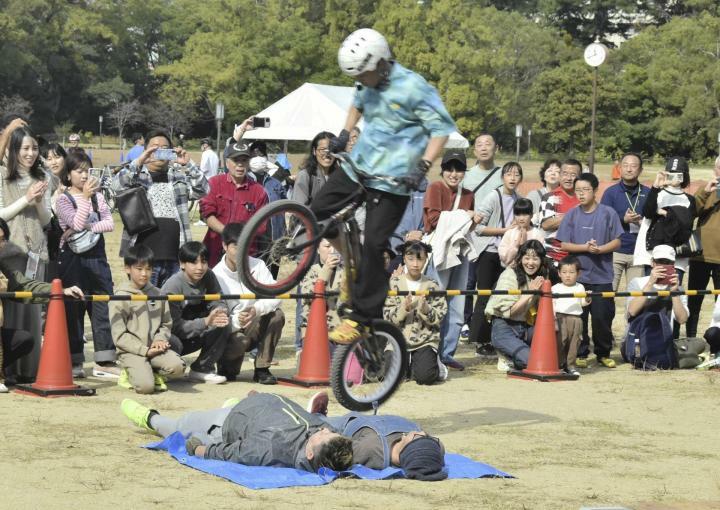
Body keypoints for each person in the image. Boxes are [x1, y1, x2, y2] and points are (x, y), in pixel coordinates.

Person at [313, 28, 456, 344]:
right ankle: (352, 264)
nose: (361, 80)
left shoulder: (414, 87)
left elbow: (441, 130)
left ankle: (361, 319)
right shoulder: (366, 83)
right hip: (360, 167)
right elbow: (357, 102)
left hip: (394, 181)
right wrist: (343, 132)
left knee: (377, 245)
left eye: (364, 73)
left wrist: (423, 167)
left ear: (380, 62)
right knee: (317, 210)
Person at [119, 392, 354, 472]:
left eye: (323, 435)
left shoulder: (271, 447)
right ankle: (233, 403)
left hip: (227, 423)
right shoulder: (328, 436)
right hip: (253, 405)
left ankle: (150, 418)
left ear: (310, 454)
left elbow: (233, 453)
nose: (324, 430)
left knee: (183, 426)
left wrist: (201, 449)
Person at [114, 129, 209, 287]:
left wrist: (189, 165)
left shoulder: (178, 177)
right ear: (146, 150)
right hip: (144, 259)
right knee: (145, 305)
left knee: (171, 306)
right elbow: (116, 185)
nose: (160, 151)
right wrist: (138, 161)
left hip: (175, 255)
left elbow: (203, 190)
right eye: (155, 147)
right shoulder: (136, 177)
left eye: (165, 148)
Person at [55, 150, 119, 379]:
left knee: (102, 304)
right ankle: (75, 360)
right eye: (78, 171)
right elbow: (76, 221)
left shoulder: (98, 196)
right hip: (73, 261)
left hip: (97, 258)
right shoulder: (62, 200)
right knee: (74, 309)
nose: (84, 176)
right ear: (68, 174)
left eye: (87, 170)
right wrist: (84, 199)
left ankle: (104, 360)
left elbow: (109, 223)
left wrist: (89, 227)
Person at [0, 218, 84, 389]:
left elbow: (24, 285)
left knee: (23, 340)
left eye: (2, 239)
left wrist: (59, 291)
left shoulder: (2, 267)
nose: (0, 244)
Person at [556, 172, 623, 369]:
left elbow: (618, 241)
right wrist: (585, 248)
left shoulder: (608, 213)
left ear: (595, 191)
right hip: (578, 278)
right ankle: (581, 352)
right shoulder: (572, 214)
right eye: (578, 191)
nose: (581, 194)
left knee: (602, 317)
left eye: (585, 190)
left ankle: (603, 353)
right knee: (580, 318)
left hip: (602, 275)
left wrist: (601, 249)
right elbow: (564, 245)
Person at [0, 126, 52, 379]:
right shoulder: (1, 176)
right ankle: (6, 368)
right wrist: (26, 199)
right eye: (25, 149)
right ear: (13, 150)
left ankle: (30, 370)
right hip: (8, 253)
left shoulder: (43, 177)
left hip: (35, 251)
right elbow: (1, 215)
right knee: (9, 311)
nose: (31, 154)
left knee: (32, 310)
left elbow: (45, 220)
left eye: (34, 148)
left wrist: (40, 201)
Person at [307, 391, 447, 480]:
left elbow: (336, 452)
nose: (422, 432)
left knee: (324, 426)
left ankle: (317, 417)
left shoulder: (370, 450)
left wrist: (325, 433)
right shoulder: (435, 449)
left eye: (419, 437)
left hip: (347, 424)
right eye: (428, 436)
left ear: (408, 448)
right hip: (378, 422)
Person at [423, 151, 478, 370]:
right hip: (440, 251)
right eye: (449, 168)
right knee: (436, 301)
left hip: (460, 251)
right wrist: (467, 215)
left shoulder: (468, 194)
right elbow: (433, 219)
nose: (454, 174)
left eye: (459, 169)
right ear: (443, 169)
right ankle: (429, 352)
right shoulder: (435, 188)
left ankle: (446, 353)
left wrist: (470, 218)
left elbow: (469, 226)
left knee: (457, 303)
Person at [212, 223, 284, 384]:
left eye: (245, 245)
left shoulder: (257, 265)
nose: (241, 252)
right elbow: (216, 317)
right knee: (237, 347)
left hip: (254, 322)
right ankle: (225, 365)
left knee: (277, 315)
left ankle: (262, 368)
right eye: (236, 246)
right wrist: (237, 321)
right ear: (224, 246)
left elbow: (276, 294)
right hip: (231, 331)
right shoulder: (215, 275)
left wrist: (256, 309)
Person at [111, 245, 185, 393]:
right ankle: (129, 373)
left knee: (179, 368)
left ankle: (152, 371)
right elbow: (119, 336)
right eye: (139, 269)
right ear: (127, 269)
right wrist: (143, 350)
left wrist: (159, 339)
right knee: (146, 387)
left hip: (155, 349)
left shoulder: (158, 294)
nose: (144, 274)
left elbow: (166, 323)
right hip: (132, 351)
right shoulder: (119, 297)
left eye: (148, 269)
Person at [469, 161, 523, 357]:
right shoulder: (493, 196)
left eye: (517, 174)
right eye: (509, 174)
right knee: (484, 295)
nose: (513, 178)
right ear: (502, 177)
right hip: (489, 252)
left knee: (503, 297)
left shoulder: (519, 198)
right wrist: (504, 230)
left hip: (508, 255)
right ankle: (479, 340)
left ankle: (497, 339)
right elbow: (478, 228)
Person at [160, 242, 231, 384]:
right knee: (172, 342)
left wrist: (219, 312)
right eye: (193, 262)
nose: (200, 267)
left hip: (196, 331)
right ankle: (162, 368)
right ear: (182, 264)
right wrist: (206, 322)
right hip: (174, 337)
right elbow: (173, 327)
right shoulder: (172, 286)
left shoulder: (209, 276)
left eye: (204, 262)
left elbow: (219, 300)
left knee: (223, 323)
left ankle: (202, 368)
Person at [384, 241, 448, 384]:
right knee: (391, 377)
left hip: (424, 340)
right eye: (411, 259)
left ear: (426, 259)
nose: (415, 264)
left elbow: (440, 316)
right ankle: (407, 364)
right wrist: (403, 309)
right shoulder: (393, 284)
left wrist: (426, 309)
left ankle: (434, 364)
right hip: (398, 339)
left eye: (420, 259)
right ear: (404, 259)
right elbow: (387, 316)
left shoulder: (433, 285)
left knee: (425, 378)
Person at [199, 140, 268, 268]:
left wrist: (238, 239)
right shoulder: (214, 183)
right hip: (214, 250)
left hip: (245, 253)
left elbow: (261, 226)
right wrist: (227, 232)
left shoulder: (259, 191)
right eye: (236, 160)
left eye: (244, 160)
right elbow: (206, 214)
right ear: (227, 162)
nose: (240, 165)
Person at [461, 134, 503, 338]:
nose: (484, 148)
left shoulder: (504, 174)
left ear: (497, 148)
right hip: (470, 237)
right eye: (479, 144)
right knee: (467, 282)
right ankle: (465, 322)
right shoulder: (466, 176)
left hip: (495, 238)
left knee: (489, 285)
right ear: (474, 150)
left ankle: (484, 325)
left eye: (488, 144)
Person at [485, 240, 548, 370]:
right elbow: (510, 311)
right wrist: (529, 293)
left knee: (550, 358)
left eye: (535, 259)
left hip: (526, 327)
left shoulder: (542, 276)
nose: (530, 263)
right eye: (527, 258)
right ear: (520, 259)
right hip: (504, 326)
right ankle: (506, 355)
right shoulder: (509, 275)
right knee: (533, 362)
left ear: (541, 261)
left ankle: (513, 354)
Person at [634, 157, 696, 282]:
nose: (674, 177)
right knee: (651, 293)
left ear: (685, 176)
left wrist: (665, 212)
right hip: (652, 253)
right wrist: (656, 185)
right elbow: (647, 212)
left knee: (673, 292)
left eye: (679, 174)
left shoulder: (689, 199)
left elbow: (687, 223)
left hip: (677, 254)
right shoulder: (656, 193)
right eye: (671, 173)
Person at [625, 245, 689, 363]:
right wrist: (649, 284)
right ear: (652, 263)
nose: (663, 265)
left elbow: (682, 319)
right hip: (638, 339)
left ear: (673, 264)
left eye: (667, 262)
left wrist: (674, 293)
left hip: (664, 341)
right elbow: (632, 311)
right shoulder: (638, 283)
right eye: (660, 262)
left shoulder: (678, 288)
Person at [600, 152, 649, 291]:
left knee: (636, 296)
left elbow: (654, 220)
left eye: (633, 166)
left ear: (640, 170)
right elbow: (603, 220)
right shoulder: (611, 192)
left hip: (638, 252)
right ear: (619, 168)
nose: (629, 169)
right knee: (608, 293)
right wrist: (623, 219)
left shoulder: (648, 192)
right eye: (625, 165)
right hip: (615, 251)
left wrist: (643, 223)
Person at [685, 155, 720, 338]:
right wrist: (706, 191)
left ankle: (717, 343)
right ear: (715, 170)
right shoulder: (705, 190)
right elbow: (691, 213)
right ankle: (690, 339)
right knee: (694, 301)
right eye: (719, 168)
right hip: (701, 255)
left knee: (719, 304)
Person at [298, 239, 346, 354]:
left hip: (343, 332)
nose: (333, 250)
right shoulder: (309, 271)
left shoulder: (346, 271)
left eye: (335, 246)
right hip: (316, 331)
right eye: (327, 246)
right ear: (318, 249)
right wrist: (326, 270)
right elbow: (308, 297)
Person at [538, 159, 582, 270]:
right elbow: (546, 224)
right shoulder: (550, 197)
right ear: (560, 175)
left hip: (579, 259)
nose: (568, 178)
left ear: (580, 176)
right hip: (553, 258)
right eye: (565, 174)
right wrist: (573, 212)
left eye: (573, 174)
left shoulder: (583, 198)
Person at [552, 257, 590, 376]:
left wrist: (588, 298)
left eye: (572, 272)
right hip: (560, 318)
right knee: (560, 342)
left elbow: (582, 303)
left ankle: (571, 366)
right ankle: (559, 365)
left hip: (576, 319)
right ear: (559, 273)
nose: (568, 276)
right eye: (564, 272)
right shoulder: (555, 288)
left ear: (578, 273)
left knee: (575, 342)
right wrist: (553, 319)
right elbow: (552, 305)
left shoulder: (580, 287)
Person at [292, 131, 339, 206]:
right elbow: (299, 209)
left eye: (332, 150)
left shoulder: (339, 177)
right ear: (314, 151)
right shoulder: (305, 176)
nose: (327, 154)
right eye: (323, 150)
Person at [498, 198, 545, 268]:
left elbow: (540, 256)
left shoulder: (537, 234)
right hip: (511, 272)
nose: (521, 218)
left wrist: (525, 245)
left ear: (531, 215)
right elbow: (504, 258)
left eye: (525, 214)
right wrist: (516, 245)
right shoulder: (509, 233)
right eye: (518, 214)